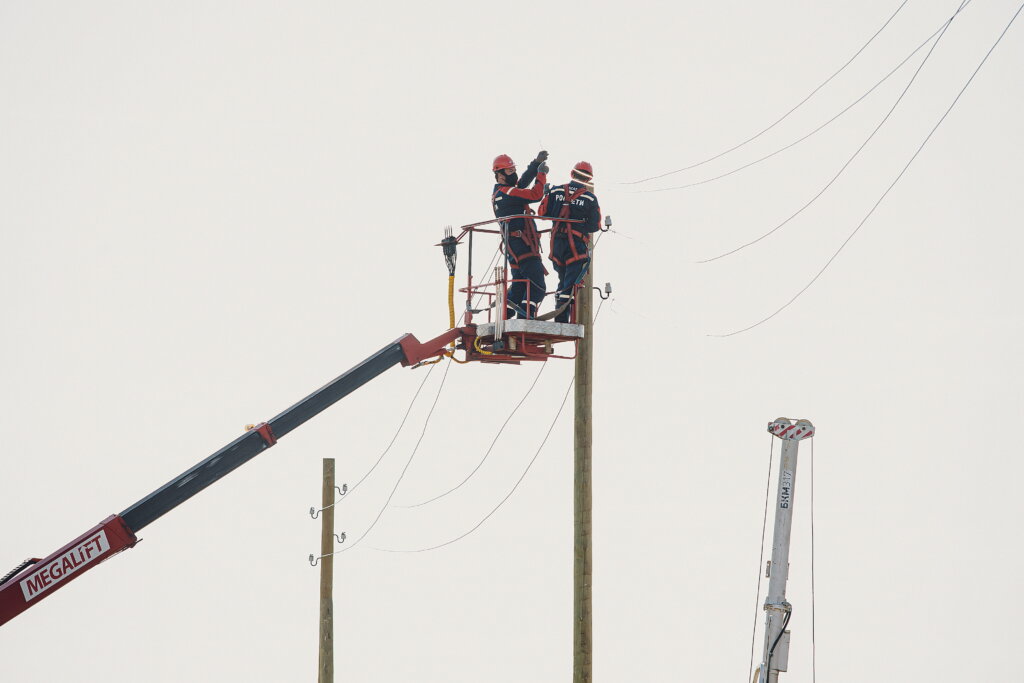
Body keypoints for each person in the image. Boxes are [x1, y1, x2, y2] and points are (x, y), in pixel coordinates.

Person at [540, 161, 601, 323]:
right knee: (569, 282)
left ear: (572, 174)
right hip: (575, 245)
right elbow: (594, 225)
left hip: (556, 245)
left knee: (563, 279)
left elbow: (543, 213)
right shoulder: (589, 197)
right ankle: (561, 319)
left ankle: (559, 314)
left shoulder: (556, 190)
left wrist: (547, 194)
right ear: (588, 180)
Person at [491, 151, 549, 319]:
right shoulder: (508, 193)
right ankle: (525, 319)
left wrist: (535, 164)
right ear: (500, 175)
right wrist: (541, 175)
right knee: (537, 285)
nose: (513, 174)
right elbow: (535, 195)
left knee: (520, 284)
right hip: (522, 245)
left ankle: (504, 315)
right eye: (509, 171)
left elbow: (521, 183)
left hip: (514, 247)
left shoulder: (502, 192)